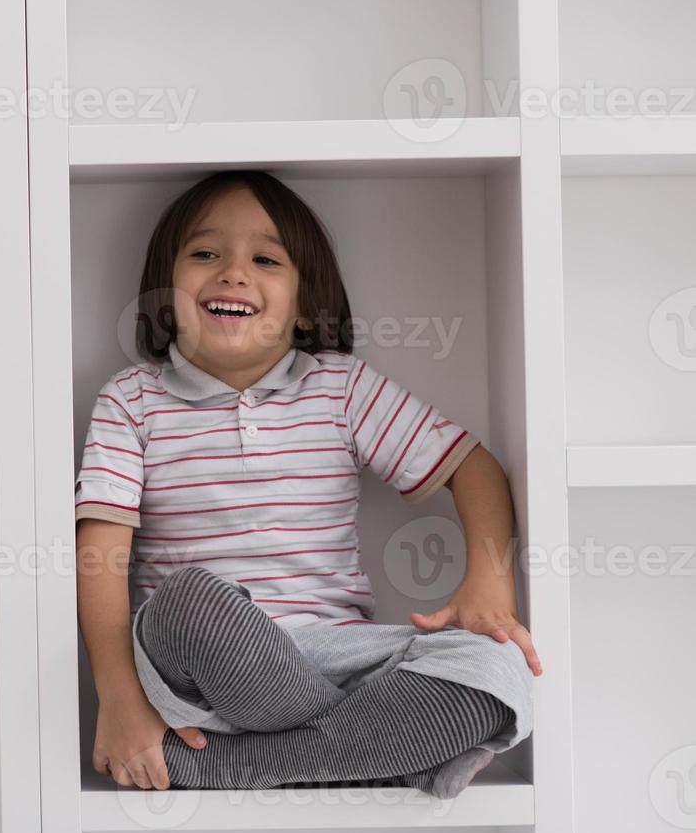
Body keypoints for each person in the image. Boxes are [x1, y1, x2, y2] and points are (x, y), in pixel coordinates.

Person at [74, 170, 539, 797]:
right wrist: (119, 698)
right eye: (205, 253)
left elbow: (473, 467)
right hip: (197, 668)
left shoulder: (341, 388)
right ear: (165, 287)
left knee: (498, 668)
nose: (233, 273)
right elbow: (100, 555)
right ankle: (381, 751)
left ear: (304, 300)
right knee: (186, 599)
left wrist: (491, 581)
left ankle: (238, 767)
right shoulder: (132, 402)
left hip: (335, 659)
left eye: (265, 259)